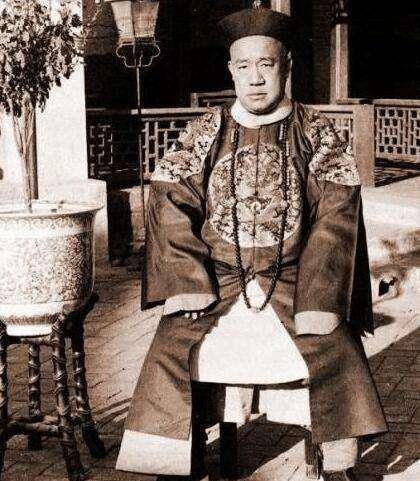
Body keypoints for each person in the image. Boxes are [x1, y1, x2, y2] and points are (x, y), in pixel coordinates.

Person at [116, 5, 387, 481]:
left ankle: (337, 462)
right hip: (216, 282)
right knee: (170, 347)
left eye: (266, 64)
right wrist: (188, 281)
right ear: (231, 70)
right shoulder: (208, 130)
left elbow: (336, 212)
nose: (255, 78)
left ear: (286, 66)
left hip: (297, 282)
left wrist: (319, 296)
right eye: (244, 66)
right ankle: (175, 462)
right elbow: (169, 193)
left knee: (336, 350)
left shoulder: (315, 131)